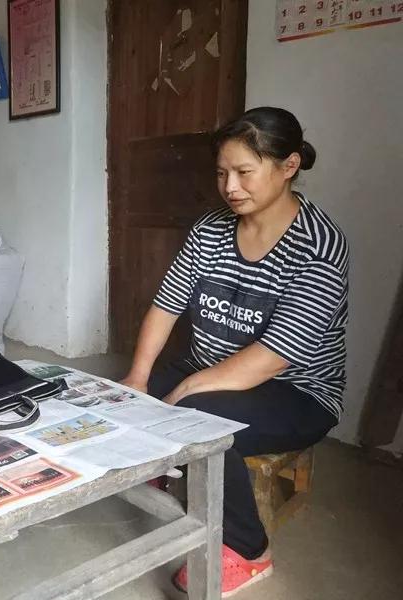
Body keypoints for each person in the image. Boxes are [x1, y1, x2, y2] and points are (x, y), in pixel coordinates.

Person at [120, 107, 348, 597]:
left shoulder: (319, 247)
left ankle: (250, 551)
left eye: (244, 172)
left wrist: (182, 392)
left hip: (295, 391)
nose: (230, 187)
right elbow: (166, 306)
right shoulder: (210, 230)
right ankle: (169, 467)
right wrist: (138, 378)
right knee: (122, 398)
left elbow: (270, 357)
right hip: (208, 369)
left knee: (198, 415)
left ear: (289, 166)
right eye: (222, 173)